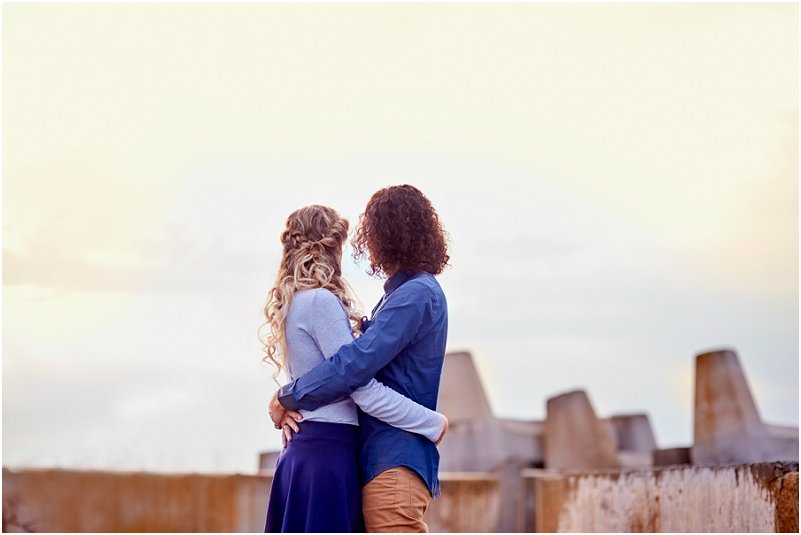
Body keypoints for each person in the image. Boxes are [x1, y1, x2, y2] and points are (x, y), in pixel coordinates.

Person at [270, 185, 450, 532]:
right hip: (370, 457)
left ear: (383, 236)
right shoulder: (396, 296)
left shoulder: (413, 295)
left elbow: (353, 368)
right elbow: (350, 369)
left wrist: (286, 396)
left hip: (392, 461)